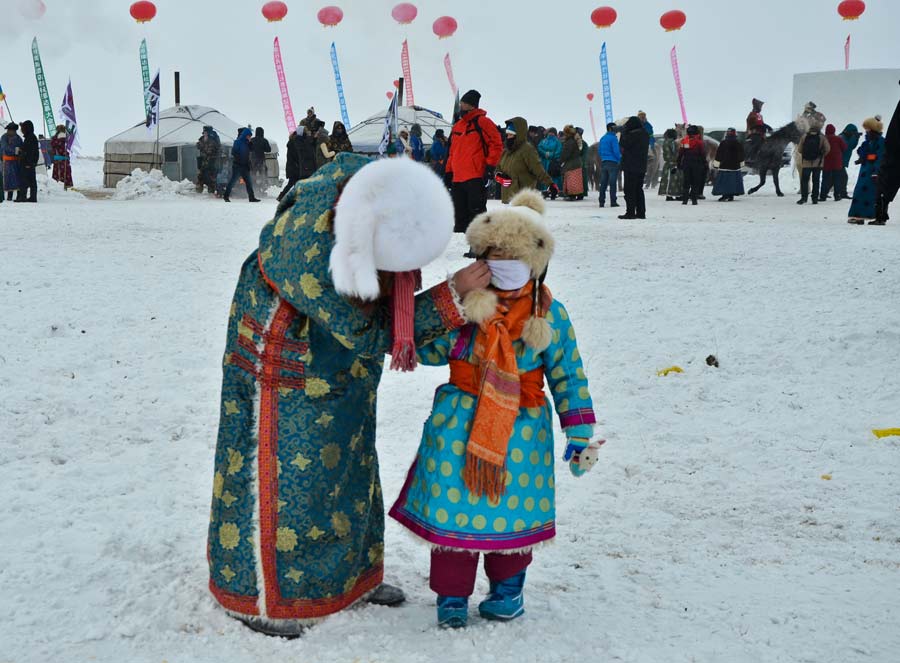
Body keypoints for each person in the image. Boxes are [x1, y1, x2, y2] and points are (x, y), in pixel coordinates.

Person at [207, 154, 491, 637]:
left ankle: (349, 578)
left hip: (337, 365)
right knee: (288, 479)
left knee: (351, 463)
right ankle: (267, 596)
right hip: (282, 368)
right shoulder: (311, 252)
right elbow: (366, 333)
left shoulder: (380, 189)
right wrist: (453, 297)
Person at [389, 189, 602, 629]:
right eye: (493, 255)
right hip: (458, 427)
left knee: (513, 514)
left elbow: (568, 373)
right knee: (453, 512)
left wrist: (579, 433)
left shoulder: (550, 316)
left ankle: (507, 593)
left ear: (534, 260)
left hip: (522, 431)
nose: (502, 263)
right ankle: (451, 599)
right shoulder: (466, 308)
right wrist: (449, 297)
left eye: (512, 255)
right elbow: (426, 348)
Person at [446, 89, 503, 233]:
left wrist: (490, 166)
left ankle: (479, 244)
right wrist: (448, 172)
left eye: (463, 103)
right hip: (458, 177)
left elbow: (496, 145)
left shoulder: (483, 122)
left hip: (475, 176)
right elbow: (452, 152)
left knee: (476, 213)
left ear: (471, 105)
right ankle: (461, 244)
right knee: (460, 214)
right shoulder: (458, 126)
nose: (460, 105)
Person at [496, 117, 556, 203]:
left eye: (511, 134)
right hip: (508, 198)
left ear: (518, 135)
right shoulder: (506, 151)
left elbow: (538, 169)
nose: (508, 137)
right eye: (507, 134)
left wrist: (551, 184)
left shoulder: (527, 150)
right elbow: (498, 168)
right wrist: (499, 176)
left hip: (523, 199)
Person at [847, 116, 886, 225]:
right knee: (859, 192)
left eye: (868, 129)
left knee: (870, 194)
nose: (866, 131)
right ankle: (857, 215)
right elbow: (861, 150)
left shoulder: (880, 141)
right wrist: (862, 153)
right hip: (864, 171)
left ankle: (870, 215)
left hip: (872, 172)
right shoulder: (868, 141)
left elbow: (880, 157)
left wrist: (876, 171)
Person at [873, 92, 900, 226]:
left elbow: (893, 138)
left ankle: (880, 216)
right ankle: (880, 215)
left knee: (885, 186)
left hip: (894, 155)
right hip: (893, 154)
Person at [618, 116, 649, 218]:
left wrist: (623, 133)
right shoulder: (645, 134)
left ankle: (630, 212)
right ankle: (641, 212)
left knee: (629, 190)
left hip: (631, 166)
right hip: (641, 166)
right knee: (639, 190)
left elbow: (624, 144)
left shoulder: (633, 135)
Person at [224, 127, 260, 203]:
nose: (249, 137)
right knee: (232, 181)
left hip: (245, 166)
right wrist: (239, 158)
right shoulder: (237, 142)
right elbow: (234, 152)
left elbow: (252, 149)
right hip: (237, 165)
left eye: (250, 136)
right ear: (245, 135)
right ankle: (226, 196)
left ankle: (251, 198)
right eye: (248, 136)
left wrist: (250, 143)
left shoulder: (247, 143)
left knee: (249, 182)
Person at [796, 125, 829, 205]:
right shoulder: (822, 138)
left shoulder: (804, 137)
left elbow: (799, 149)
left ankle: (804, 198)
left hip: (806, 163)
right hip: (818, 164)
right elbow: (827, 149)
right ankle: (814, 199)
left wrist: (805, 154)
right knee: (816, 181)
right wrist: (821, 155)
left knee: (804, 181)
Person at [712, 128, 745, 202]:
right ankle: (731, 195)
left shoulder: (723, 143)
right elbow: (741, 155)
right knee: (733, 181)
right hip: (735, 167)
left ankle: (725, 195)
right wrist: (741, 164)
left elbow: (719, 154)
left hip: (724, 165)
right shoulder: (738, 143)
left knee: (724, 181)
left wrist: (716, 164)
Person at [678, 125, 706, 206]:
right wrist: (704, 163)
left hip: (686, 163)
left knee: (686, 181)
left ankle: (685, 200)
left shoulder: (684, 141)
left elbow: (681, 153)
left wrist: (679, 162)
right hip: (697, 163)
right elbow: (702, 154)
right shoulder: (699, 142)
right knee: (695, 182)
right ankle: (694, 200)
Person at [819, 125, 848, 202]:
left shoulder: (823, 139)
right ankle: (837, 195)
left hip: (826, 162)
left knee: (825, 179)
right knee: (837, 179)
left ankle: (823, 196)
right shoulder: (838, 139)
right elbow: (844, 147)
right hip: (837, 162)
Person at [597, 122, 621, 208]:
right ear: (611, 128)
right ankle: (613, 201)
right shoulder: (613, 139)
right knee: (612, 183)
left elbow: (599, 151)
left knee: (603, 183)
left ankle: (601, 201)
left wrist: (604, 157)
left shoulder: (603, 138)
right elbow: (616, 151)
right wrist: (620, 159)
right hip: (613, 163)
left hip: (604, 162)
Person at [836, 124, 861, 201]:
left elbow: (852, 147)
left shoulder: (846, 137)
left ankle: (826, 193)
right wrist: (854, 137)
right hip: (838, 161)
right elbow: (848, 147)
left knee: (834, 178)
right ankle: (842, 193)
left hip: (840, 161)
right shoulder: (842, 138)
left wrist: (856, 138)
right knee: (843, 177)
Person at [658, 128, 683, 201]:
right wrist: (677, 160)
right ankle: (675, 194)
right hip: (673, 164)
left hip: (668, 164)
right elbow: (674, 153)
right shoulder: (673, 143)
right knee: (674, 180)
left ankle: (669, 195)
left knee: (668, 179)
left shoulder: (665, 142)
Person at [559, 125, 584, 200]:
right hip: (577, 162)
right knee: (577, 180)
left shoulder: (569, 142)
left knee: (571, 179)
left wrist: (560, 161)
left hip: (571, 164)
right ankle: (580, 194)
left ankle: (571, 195)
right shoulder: (575, 140)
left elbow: (566, 154)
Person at [17, 120, 39, 203]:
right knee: (32, 181)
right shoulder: (30, 137)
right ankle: (33, 197)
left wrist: (28, 163)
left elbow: (30, 152)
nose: (21, 129)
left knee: (24, 180)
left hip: (27, 163)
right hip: (31, 163)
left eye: (23, 128)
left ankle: (23, 197)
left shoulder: (30, 138)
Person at [277, 130, 302, 202]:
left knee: (294, 183)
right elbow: (295, 156)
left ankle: (285, 196)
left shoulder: (291, 142)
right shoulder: (293, 144)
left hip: (292, 167)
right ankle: (281, 196)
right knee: (292, 183)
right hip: (293, 167)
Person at [196, 125, 221, 195]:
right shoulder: (202, 139)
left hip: (212, 160)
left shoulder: (213, 140)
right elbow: (198, 145)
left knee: (211, 175)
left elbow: (210, 151)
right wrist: (200, 144)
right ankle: (199, 189)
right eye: (204, 132)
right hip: (204, 160)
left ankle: (211, 189)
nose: (204, 134)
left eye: (206, 132)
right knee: (200, 174)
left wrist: (202, 147)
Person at [1, 122, 22, 201]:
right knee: (9, 179)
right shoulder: (4, 137)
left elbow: (21, 146)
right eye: (9, 130)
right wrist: (14, 150)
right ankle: (9, 196)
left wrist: (20, 151)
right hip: (7, 162)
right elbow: (4, 147)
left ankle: (19, 196)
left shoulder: (18, 138)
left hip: (16, 162)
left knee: (18, 178)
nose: (9, 131)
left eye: (11, 130)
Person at [537, 128, 563, 192]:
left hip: (548, 162)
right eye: (550, 132)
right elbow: (539, 148)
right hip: (549, 162)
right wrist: (548, 154)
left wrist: (548, 154)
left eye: (552, 132)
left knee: (549, 176)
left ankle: (549, 189)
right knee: (549, 176)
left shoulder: (555, 142)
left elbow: (559, 151)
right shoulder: (545, 141)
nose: (551, 134)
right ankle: (549, 190)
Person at [49, 124, 73, 190]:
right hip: (63, 159)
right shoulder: (63, 138)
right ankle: (64, 186)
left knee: (58, 173)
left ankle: (59, 186)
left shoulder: (55, 139)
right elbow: (63, 150)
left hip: (58, 159)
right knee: (63, 173)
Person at [250, 127, 272, 192]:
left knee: (252, 174)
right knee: (263, 173)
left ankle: (253, 187)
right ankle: (261, 187)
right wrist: (262, 148)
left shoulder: (252, 140)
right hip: (261, 159)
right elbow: (269, 149)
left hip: (252, 159)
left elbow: (249, 148)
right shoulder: (264, 140)